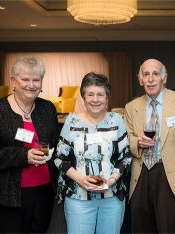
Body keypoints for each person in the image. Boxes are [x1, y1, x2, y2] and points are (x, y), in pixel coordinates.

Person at [0, 56, 60, 233]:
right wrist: (24, 155)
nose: (31, 85)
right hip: (6, 194)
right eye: (25, 79)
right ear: (13, 81)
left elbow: (57, 145)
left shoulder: (47, 108)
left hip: (44, 191)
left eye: (36, 80)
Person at [124, 58, 175, 233]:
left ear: (164, 78)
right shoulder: (131, 107)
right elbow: (126, 140)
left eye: (155, 74)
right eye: (146, 74)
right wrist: (137, 142)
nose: (150, 79)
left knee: (170, 227)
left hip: (170, 175)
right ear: (140, 79)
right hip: (140, 174)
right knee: (141, 227)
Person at [54, 72, 132, 234]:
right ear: (83, 96)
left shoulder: (116, 120)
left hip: (111, 197)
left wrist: (111, 180)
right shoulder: (72, 121)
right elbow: (60, 159)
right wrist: (81, 179)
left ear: (107, 97)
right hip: (78, 197)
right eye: (90, 94)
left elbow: (125, 157)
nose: (95, 99)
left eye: (100, 95)